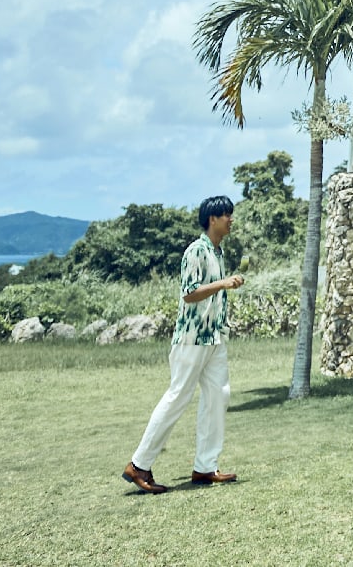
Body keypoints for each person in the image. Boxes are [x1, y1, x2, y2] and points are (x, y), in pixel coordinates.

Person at [121, 195, 245, 494]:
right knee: (178, 396)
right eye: (226, 215)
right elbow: (189, 293)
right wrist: (223, 283)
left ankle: (205, 466)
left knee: (218, 396)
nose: (231, 219)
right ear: (212, 219)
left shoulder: (217, 252)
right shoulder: (196, 251)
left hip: (214, 337)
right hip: (192, 339)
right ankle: (138, 465)